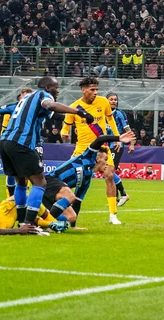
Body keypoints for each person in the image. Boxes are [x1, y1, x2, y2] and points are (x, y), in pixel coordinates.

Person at [0, 76, 94, 229]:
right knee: (40, 182)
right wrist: (79, 112)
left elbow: (51, 113)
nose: (58, 91)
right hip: (22, 142)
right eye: (56, 87)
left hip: (5, 142)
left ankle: (22, 221)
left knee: (21, 183)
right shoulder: (43, 94)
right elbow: (50, 106)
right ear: (48, 87)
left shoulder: (26, 98)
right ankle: (29, 224)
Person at [61, 77, 122, 225]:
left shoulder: (103, 102)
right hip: (82, 150)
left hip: (102, 148)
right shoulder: (74, 107)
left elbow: (110, 120)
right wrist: (64, 132)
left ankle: (113, 215)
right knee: (68, 183)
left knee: (109, 175)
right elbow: (66, 125)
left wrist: (117, 138)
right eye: (92, 89)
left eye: (96, 89)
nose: (95, 92)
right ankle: (61, 212)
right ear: (83, 90)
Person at [44, 133, 135, 228]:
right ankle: (46, 223)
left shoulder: (87, 179)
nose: (107, 163)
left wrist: (74, 227)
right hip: (49, 181)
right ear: (97, 158)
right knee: (70, 196)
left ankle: (43, 220)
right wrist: (118, 138)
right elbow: (100, 139)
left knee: (72, 217)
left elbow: (78, 201)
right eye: (106, 159)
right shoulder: (87, 156)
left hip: (55, 193)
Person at [106, 92, 135, 207]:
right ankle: (116, 199)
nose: (114, 101)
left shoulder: (119, 114)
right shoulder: (103, 113)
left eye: (115, 100)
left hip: (117, 145)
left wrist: (131, 143)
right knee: (108, 173)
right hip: (106, 145)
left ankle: (123, 194)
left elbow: (127, 129)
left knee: (109, 171)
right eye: (111, 99)